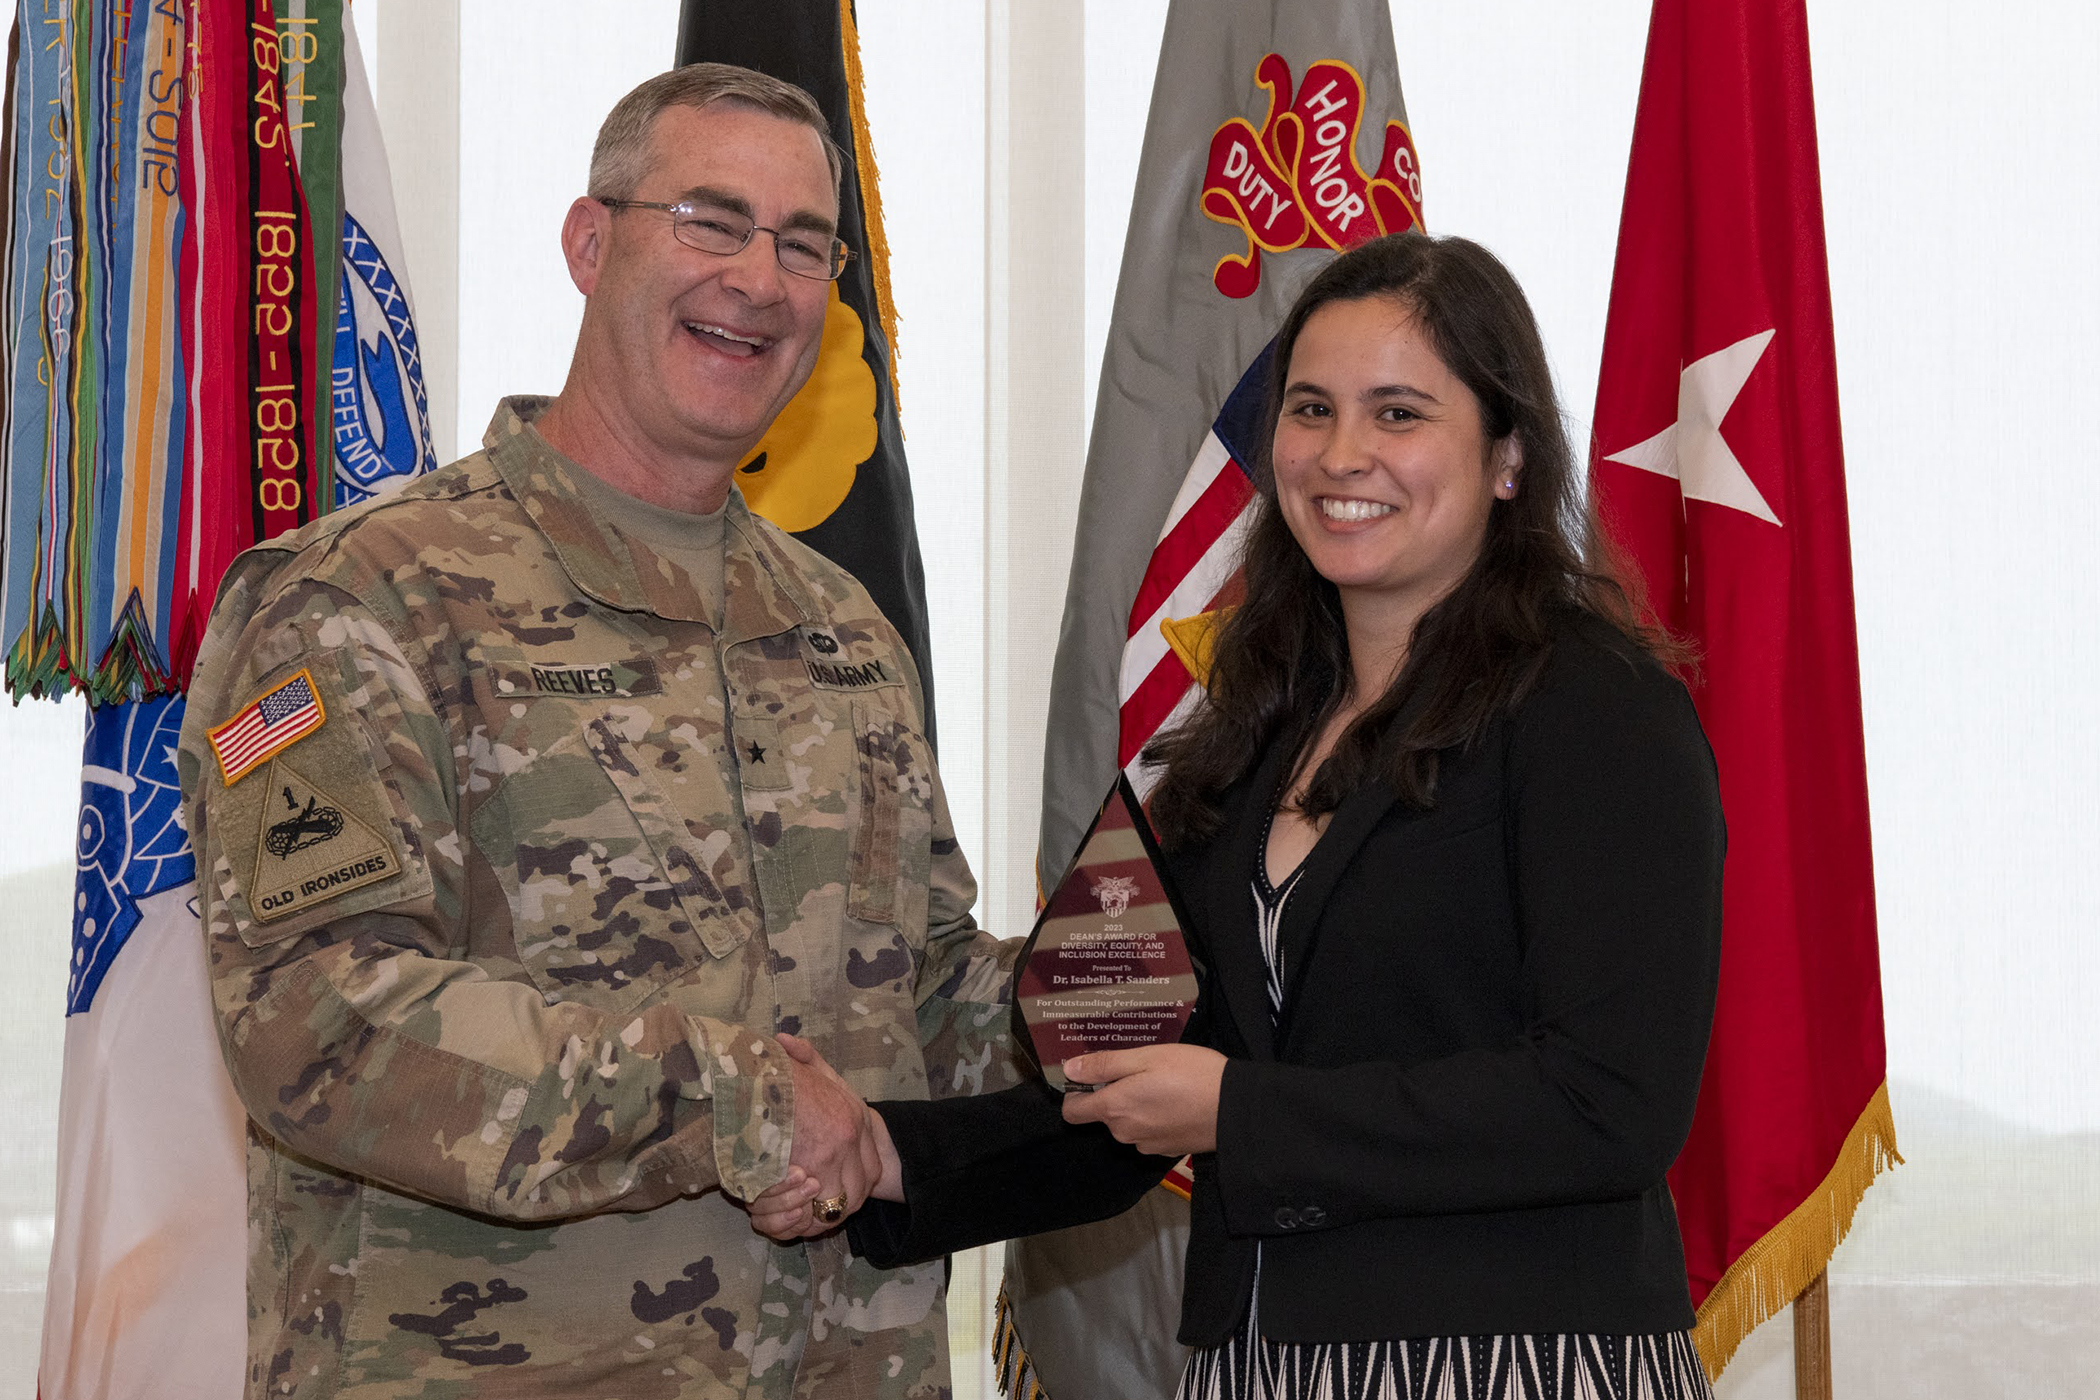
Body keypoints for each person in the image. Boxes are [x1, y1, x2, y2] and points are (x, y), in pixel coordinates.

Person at [755, 232, 1727, 1399]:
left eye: (1400, 412)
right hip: (1259, 1360)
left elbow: (1606, 1100)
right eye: (1311, 408)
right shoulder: (1256, 726)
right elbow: (1145, 1083)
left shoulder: (1597, 709)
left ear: (1507, 454)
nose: (1341, 452)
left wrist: (1240, 1110)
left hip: (1517, 1358)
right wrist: (884, 1152)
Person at [175, 64, 1020, 1399]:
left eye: (805, 245)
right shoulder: (355, 600)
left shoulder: (841, 628)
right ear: (589, 241)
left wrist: (1107, 1002)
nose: (760, 278)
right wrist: (732, 1101)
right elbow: (316, 1019)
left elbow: (920, 996)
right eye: (709, 218)